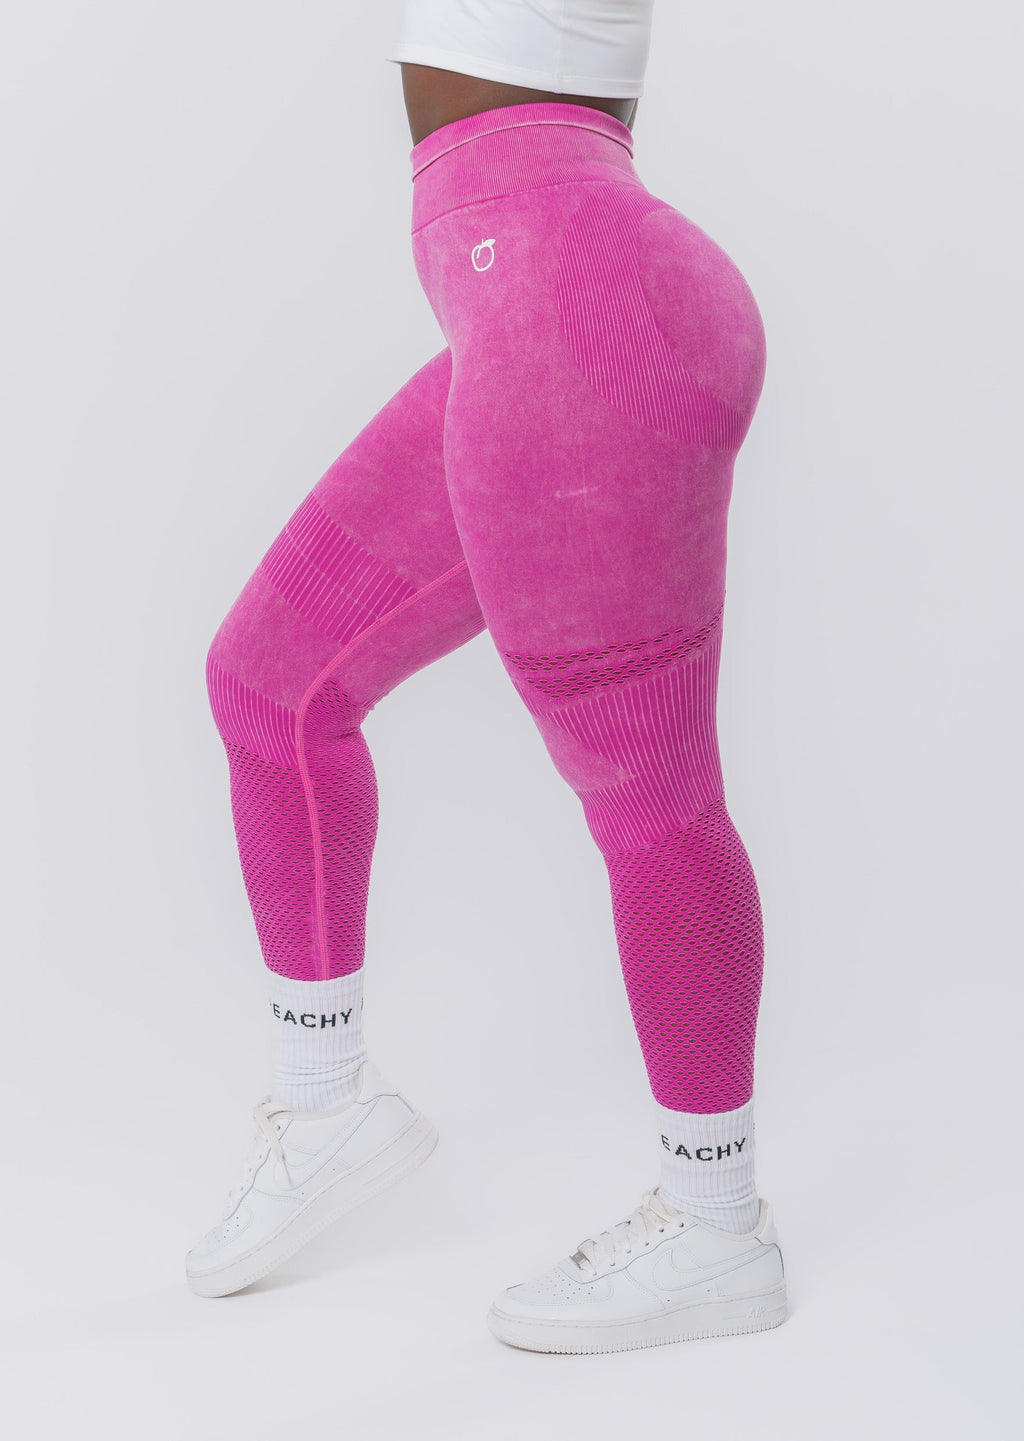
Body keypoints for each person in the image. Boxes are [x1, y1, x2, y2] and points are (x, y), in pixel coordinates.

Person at [185, 0, 788, 1353]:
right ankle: (325, 1104)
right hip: (532, 296)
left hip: (581, 302)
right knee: (269, 685)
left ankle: (717, 1225)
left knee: (649, 797)